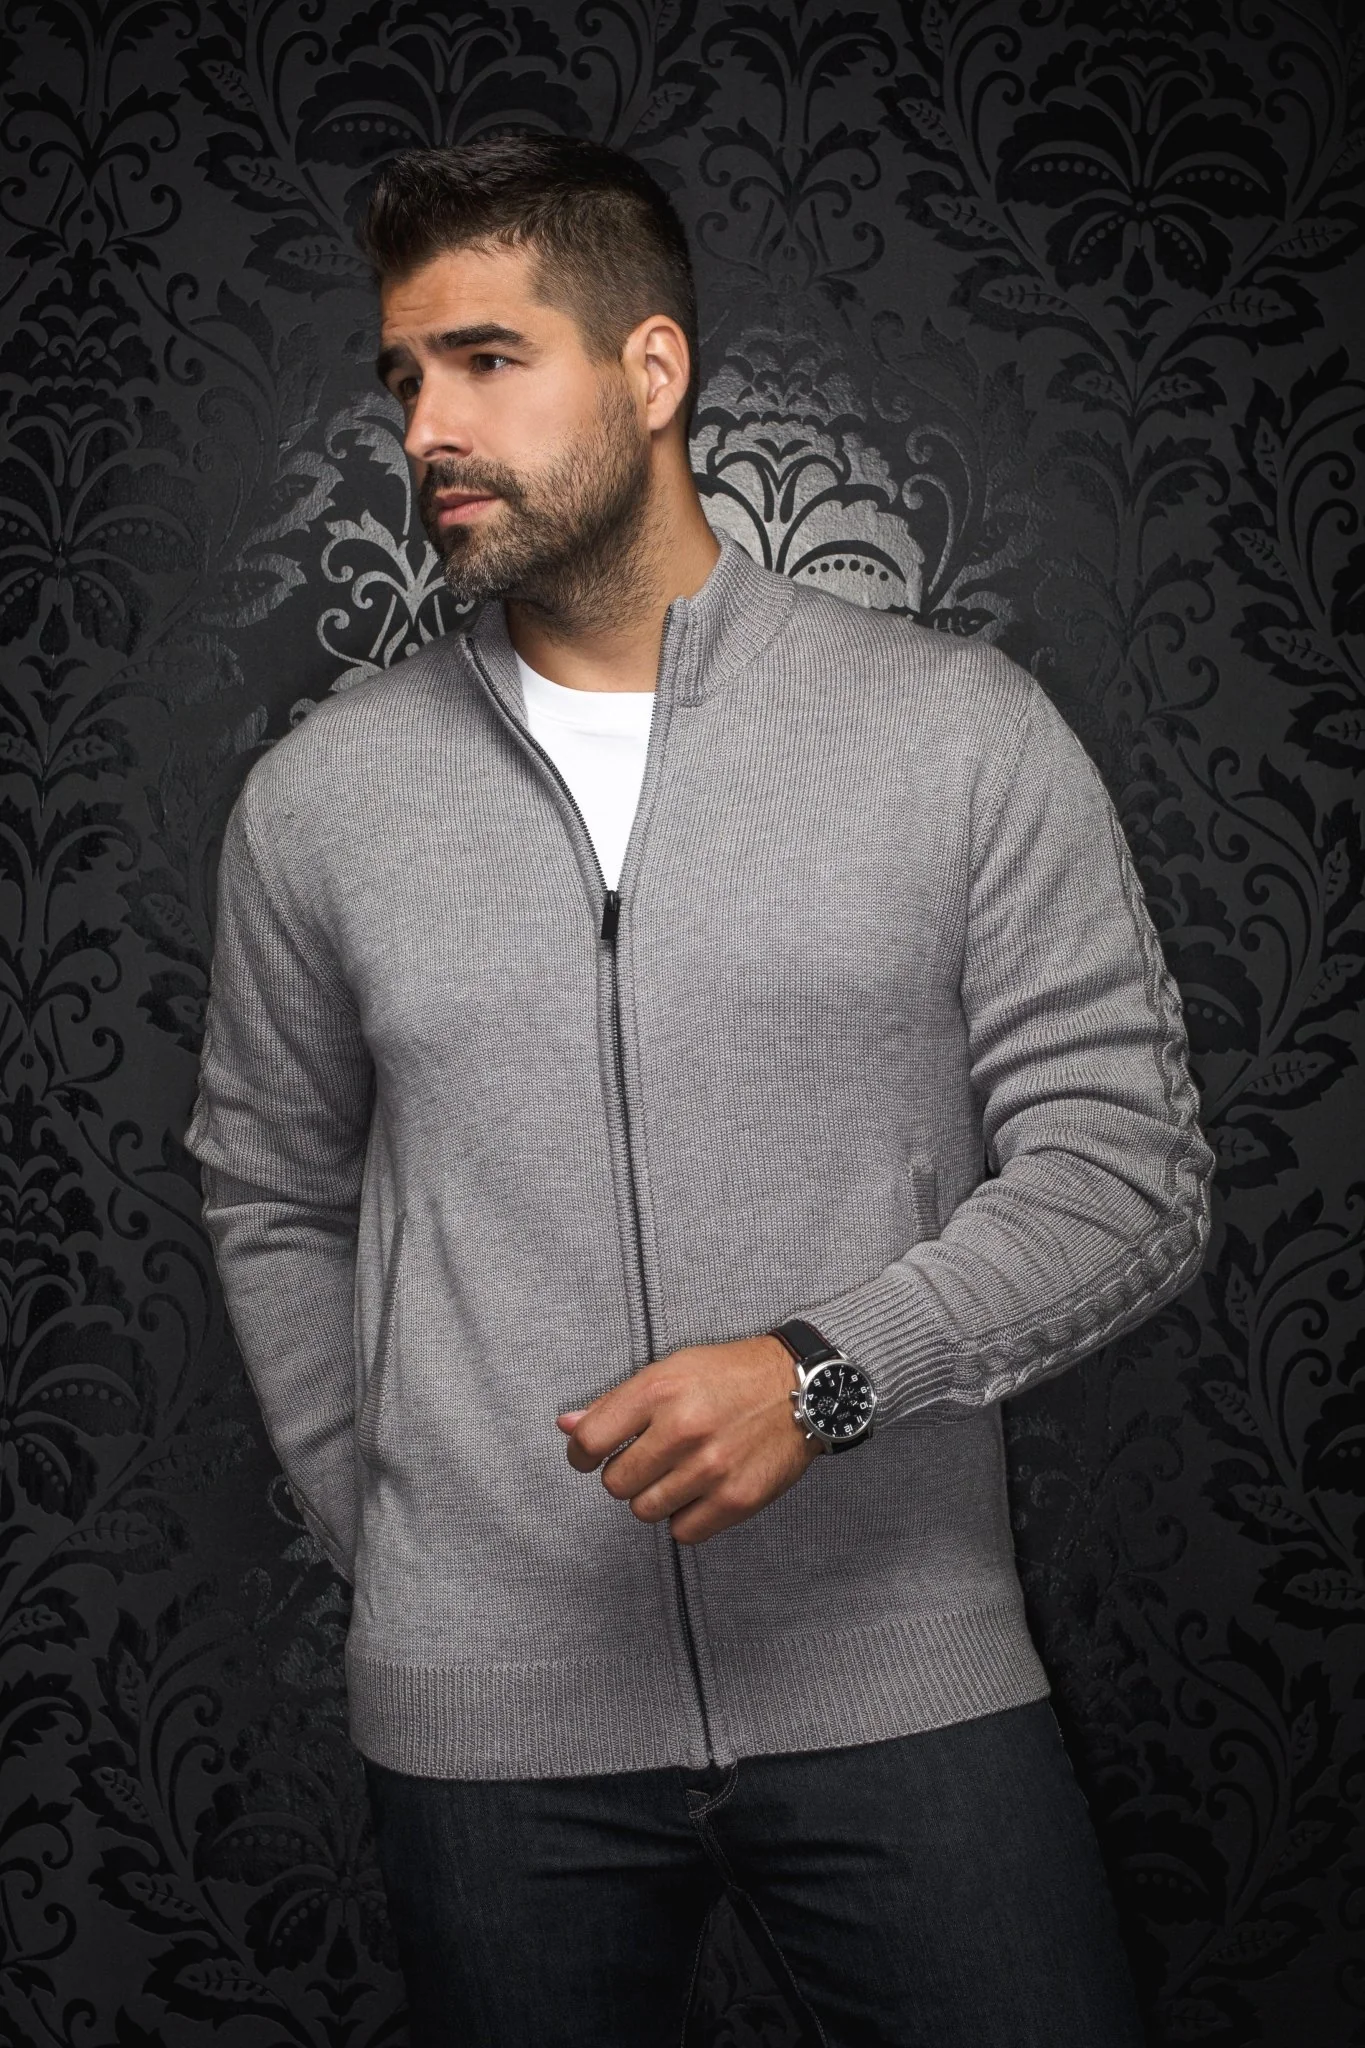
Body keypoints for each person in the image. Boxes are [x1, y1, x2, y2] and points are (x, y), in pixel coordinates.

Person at [184, 131, 1214, 2047]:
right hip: (488, 1724)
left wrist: (823, 1376)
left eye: (489, 359)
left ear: (650, 371)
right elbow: (268, 1187)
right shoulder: (322, 802)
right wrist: (407, 1529)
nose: (429, 426)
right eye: (405, 376)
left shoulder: (954, 733)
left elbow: (1125, 1167)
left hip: (900, 1680)